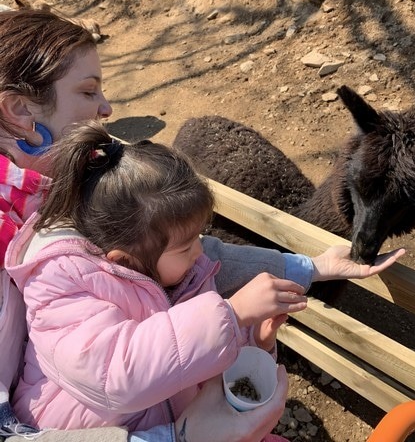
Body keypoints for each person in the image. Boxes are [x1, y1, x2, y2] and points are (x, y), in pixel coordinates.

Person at [0, 8, 405, 441]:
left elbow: (185, 259)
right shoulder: (52, 245)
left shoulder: (66, 187)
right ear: (20, 109)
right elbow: (109, 369)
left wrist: (306, 268)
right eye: (87, 91)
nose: (106, 108)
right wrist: (180, 437)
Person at [6, 120, 308, 442]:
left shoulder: (181, 272)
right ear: (125, 261)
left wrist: (252, 341)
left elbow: (189, 353)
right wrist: (231, 314)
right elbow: (120, 375)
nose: (200, 251)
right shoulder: (62, 287)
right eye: (187, 245)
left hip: (174, 419)